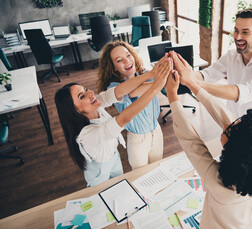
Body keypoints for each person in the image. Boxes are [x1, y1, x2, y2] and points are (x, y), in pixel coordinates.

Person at [166, 52, 252, 229]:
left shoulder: (218, 182)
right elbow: (226, 119)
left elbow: (190, 140)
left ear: (235, 149)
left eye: (233, 128)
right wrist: (192, 84)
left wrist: (172, 96)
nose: (230, 122)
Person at [54, 58, 171, 187]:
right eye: (82, 96)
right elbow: (123, 119)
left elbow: (117, 92)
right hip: (99, 171)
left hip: (114, 157)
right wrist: (156, 87)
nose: (90, 93)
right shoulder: (86, 135)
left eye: (86, 89)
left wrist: (151, 74)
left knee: (120, 186)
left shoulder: (95, 104)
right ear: (74, 110)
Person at [191, 8, 252, 118]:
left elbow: (246, 91)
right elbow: (207, 74)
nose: (238, 37)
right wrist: (187, 74)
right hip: (233, 122)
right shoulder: (231, 56)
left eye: (245, 32)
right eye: (236, 31)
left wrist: (197, 85)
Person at [97, 41, 163, 170]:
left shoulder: (147, 74)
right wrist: (159, 81)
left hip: (156, 131)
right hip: (137, 140)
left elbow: (155, 82)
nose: (127, 61)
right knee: (141, 177)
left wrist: (162, 77)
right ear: (114, 67)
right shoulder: (114, 88)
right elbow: (132, 92)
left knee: (158, 169)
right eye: (119, 60)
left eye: (128, 55)